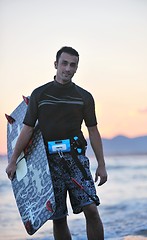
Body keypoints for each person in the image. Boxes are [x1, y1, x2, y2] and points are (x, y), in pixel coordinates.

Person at [6, 46, 108, 240]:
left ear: (77, 68)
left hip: (75, 159)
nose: (68, 69)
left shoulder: (84, 97)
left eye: (73, 65)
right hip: (48, 163)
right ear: (55, 64)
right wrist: (13, 160)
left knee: (91, 209)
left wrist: (101, 165)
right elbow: (27, 129)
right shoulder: (40, 94)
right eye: (64, 63)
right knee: (59, 218)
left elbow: (93, 131)